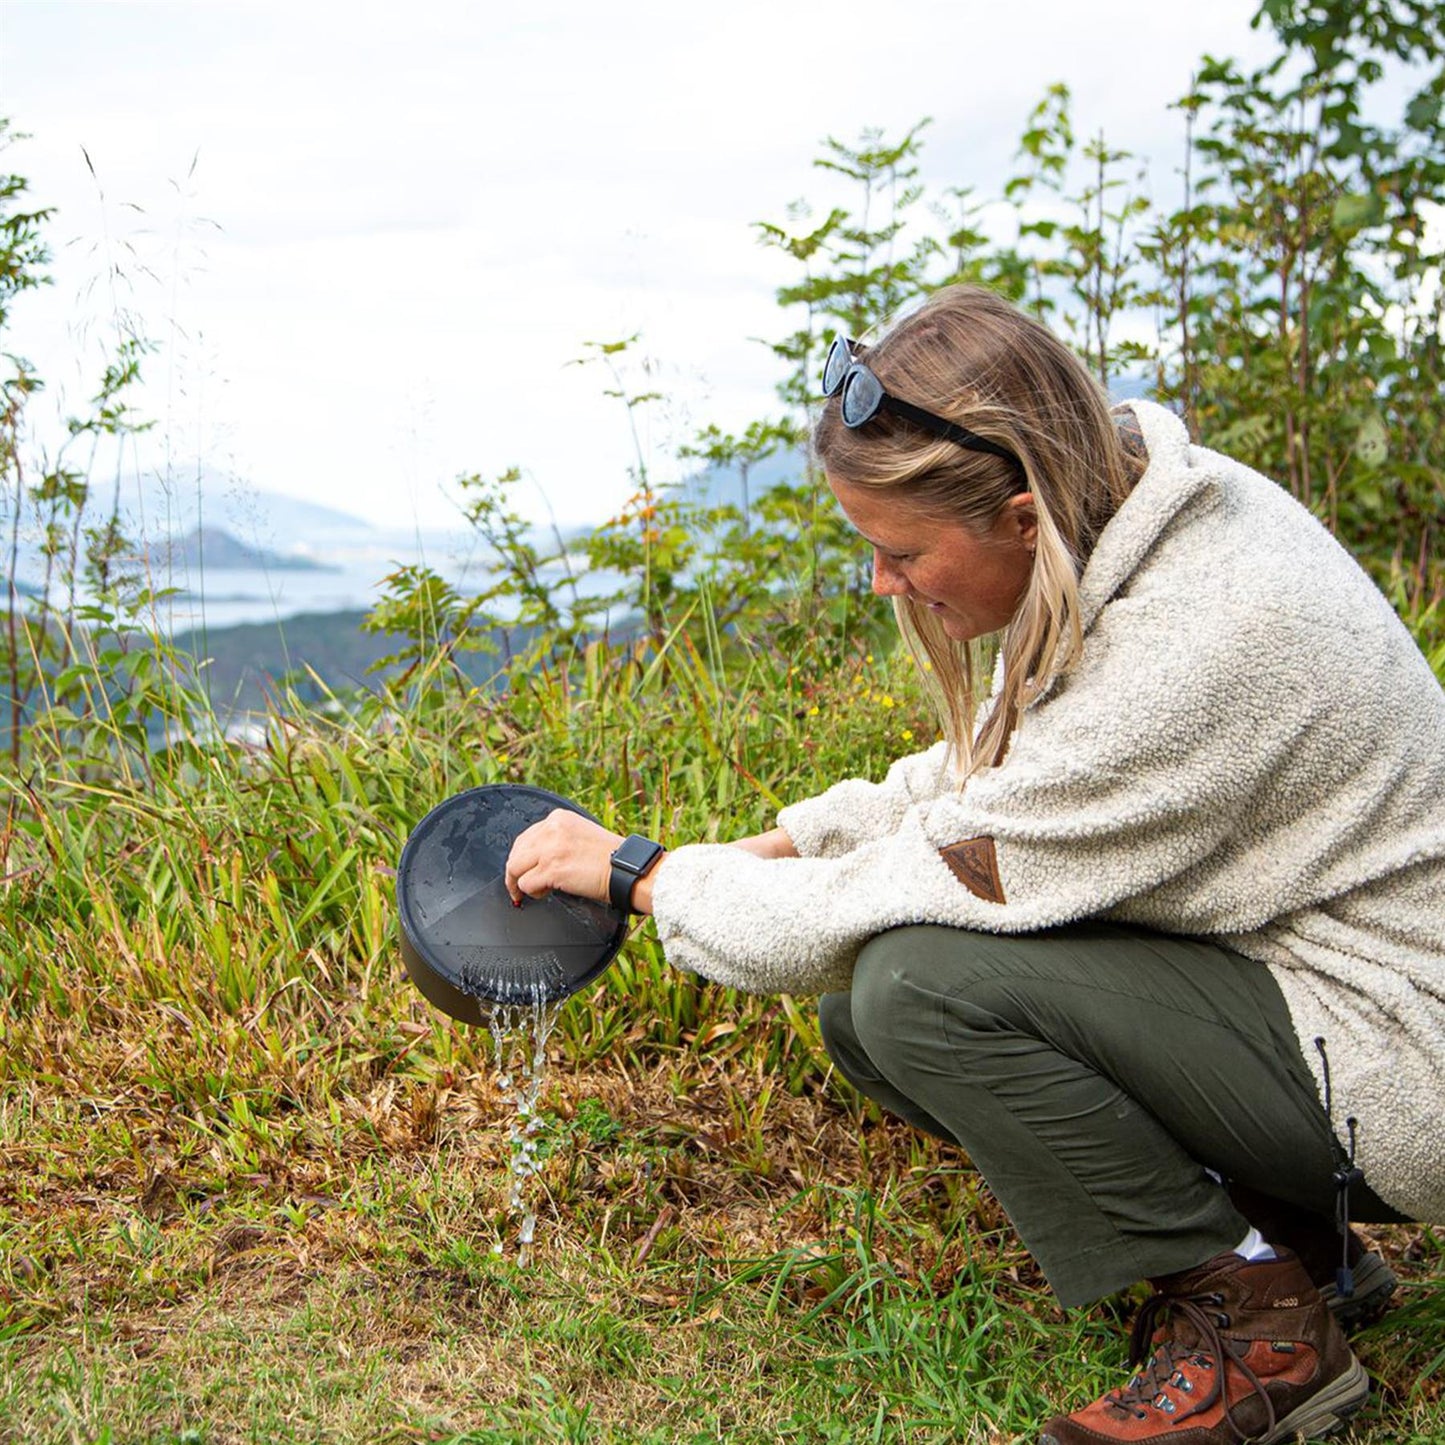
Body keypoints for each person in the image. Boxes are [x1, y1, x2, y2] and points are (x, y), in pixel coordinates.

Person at [504, 285, 1445, 1445]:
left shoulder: (1202, 641)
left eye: (898, 552)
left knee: (915, 990)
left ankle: (1263, 1336)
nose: (881, 583)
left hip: (1402, 1057)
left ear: (1016, 515)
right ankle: (1292, 1247)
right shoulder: (1132, 514)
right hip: (1312, 991)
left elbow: (905, 889)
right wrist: (750, 848)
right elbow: (977, 772)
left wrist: (642, 875)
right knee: (868, 1009)